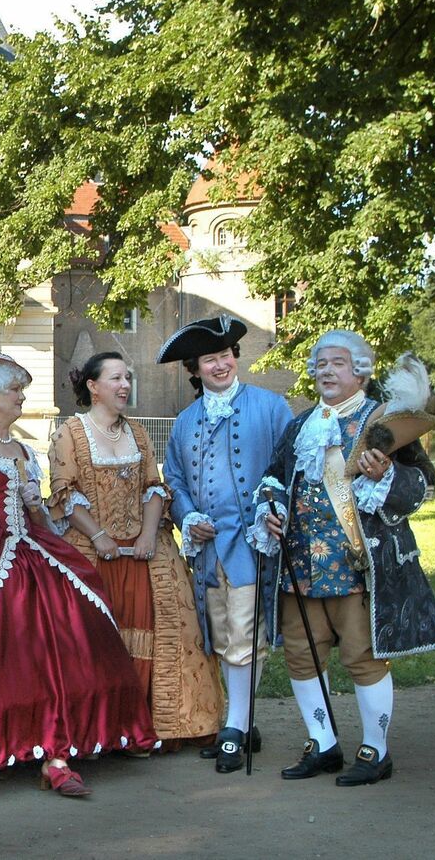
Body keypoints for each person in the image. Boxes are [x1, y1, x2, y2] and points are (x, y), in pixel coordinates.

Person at [0, 353, 157, 797]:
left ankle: (57, 756)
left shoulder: (23, 451)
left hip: (30, 547)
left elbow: (41, 520)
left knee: (74, 618)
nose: (22, 398)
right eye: (15, 390)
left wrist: (33, 502)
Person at [250, 330, 435, 786]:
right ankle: (322, 743)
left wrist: (387, 475)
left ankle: (375, 751)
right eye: (321, 364)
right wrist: (271, 507)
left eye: (338, 363)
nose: (326, 371)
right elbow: (273, 478)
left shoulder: (383, 423)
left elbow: (424, 485)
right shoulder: (300, 425)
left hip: (358, 568)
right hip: (300, 568)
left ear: (360, 372)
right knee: (302, 656)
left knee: (363, 657)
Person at [48, 352, 222, 754]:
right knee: (95, 638)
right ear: (93, 386)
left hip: (144, 553)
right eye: (116, 378)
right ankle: (100, 731)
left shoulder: (139, 433)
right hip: (92, 551)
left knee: (156, 633)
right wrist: (99, 536)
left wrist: (147, 535)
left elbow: (152, 487)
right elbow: (63, 493)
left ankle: (146, 727)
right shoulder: (69, 433)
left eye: (127, 377)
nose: (125, 385)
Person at [158, 315, 294, 773]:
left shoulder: (271, 408)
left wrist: (273, 509)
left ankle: (233, 728)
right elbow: (174, 480)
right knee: (220, 636)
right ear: (194, 370)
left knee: (245, 634)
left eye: (225, 356)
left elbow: (290, 469)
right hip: (209, 552)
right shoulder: (185, 422)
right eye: (209, 360)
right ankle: (244, 721)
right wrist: (187, 517)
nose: (220, 366)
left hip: (252, 547)